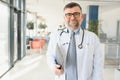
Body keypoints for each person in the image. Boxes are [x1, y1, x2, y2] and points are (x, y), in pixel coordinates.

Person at [46, 2, 104, 80]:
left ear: (81, 16)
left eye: (76, 14)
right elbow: (50, 55)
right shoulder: (55, 36)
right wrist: (53, 67)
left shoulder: (93, 38)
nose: (72, 17)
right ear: (64, 18)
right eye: (68, 14)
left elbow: (98, 66)